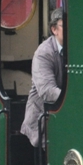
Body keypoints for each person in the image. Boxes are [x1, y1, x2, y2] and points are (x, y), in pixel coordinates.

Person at [19, 9, 65, 147]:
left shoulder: (74, 50)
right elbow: (47, 90)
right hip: (41, 125)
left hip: (61, 119)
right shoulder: (44, 53)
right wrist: (74, 99)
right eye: (64, 25)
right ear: (54, 29)